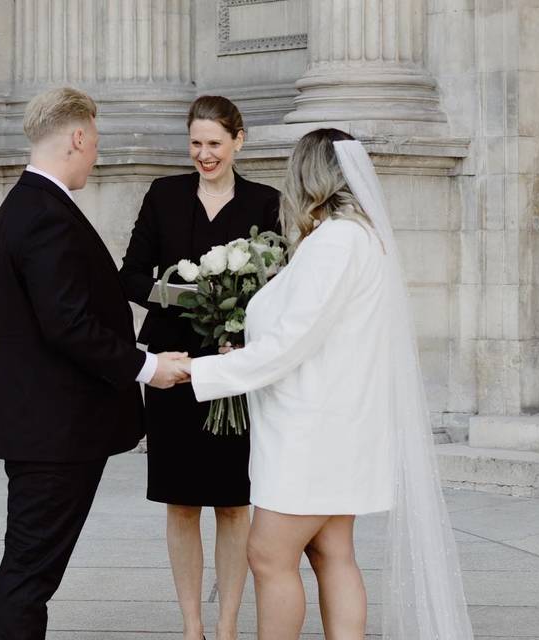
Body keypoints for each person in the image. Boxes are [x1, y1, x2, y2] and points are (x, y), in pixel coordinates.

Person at [182, 129, 474, 640]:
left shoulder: (337, 240)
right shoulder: (357, 237)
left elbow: (295, 340)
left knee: (268, 555)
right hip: (338, 425)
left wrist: (202, 370)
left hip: (313, 432)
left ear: (308, 177)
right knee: (331, 552)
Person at [0, 86, 190, 640]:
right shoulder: (43, 214)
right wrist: (146, 370)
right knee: (30, 576)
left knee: (30, 571)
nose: (96, 154)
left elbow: (67, 317)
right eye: (94, 141)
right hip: (54, 435)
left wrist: (142, 353)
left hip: (46, 428)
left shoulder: (29, 206)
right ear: (77, 137)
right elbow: (67, 325)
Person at [119, 95, 281, 640]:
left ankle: (229, 624)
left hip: (236, 367)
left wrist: (245, 335)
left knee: (235, 503)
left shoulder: (266, 202)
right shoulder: (163, 195)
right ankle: (192, 626)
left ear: (239, 140)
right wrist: (178, 295)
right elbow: (131, 276)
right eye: (195, 144)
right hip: (172, 365)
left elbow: (282, 288)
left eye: (214, 143)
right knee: (181, 500)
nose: (204, 155)